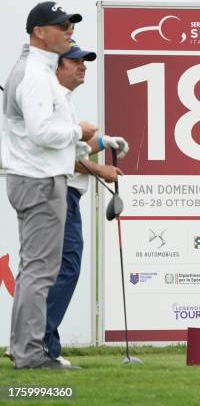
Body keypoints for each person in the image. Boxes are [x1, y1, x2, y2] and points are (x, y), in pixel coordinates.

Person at [1, 1, 96, 370]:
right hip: (39, 181)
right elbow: (42, 133)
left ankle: (27, 349)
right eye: (62, 25)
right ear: (40, 32)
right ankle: (30, 355)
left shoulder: (37, 72)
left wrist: (85, 143)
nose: (70, 31)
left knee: (34, 272)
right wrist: (80, 131)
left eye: (70, 25)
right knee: (40, 273)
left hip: (40, 179)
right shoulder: (36, 75)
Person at [43, 39, 129, 367]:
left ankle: (32, 343)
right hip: (59, 194)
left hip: (59, 195)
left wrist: (102, 142)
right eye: (76, 61)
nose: (83, 66)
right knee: (65, 268)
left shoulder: (62, 102)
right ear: (57, 66)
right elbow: (60, 157)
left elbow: (71, 150)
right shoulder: (53, 102)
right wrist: (102, 168)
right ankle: (42, 345)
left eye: (85, 61)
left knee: (48, 272)